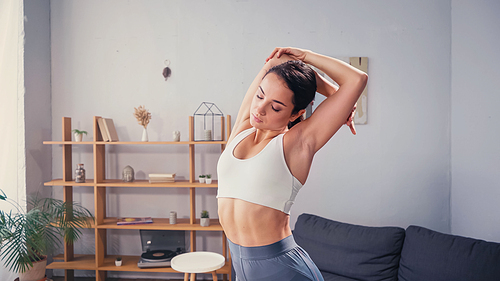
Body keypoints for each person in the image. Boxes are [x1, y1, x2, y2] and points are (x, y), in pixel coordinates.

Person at [217, 47, 368, 281]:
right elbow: (279, 58)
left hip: (282, 270)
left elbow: (356, 79)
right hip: (240, 266)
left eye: (276, 107)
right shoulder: (243, 127)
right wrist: (326, 88)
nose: (259, 109)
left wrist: (307, 57)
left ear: (295, 114)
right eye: (260, 95)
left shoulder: (296, 143)